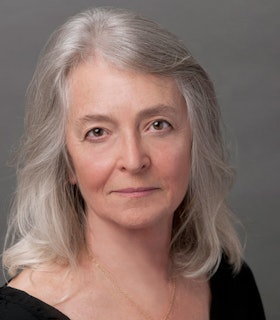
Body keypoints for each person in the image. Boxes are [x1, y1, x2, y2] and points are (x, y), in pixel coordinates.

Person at [0, 7, 265, 320]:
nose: (133, 160)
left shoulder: (230, 282)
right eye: (97, 132)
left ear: (195, 142)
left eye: (158, 125)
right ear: (66, 163)